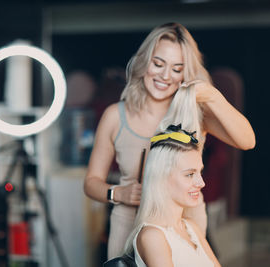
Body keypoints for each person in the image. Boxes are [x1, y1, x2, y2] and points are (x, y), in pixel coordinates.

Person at [84, 22, 255, 259]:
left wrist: (213, 96)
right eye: (158, 64)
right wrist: (118, 193)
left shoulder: (195, 113)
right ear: (144, 61)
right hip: (127, 223)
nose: (165, 76)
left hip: (186, 222)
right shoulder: (115, 115)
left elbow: (247, 141)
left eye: (177, 69)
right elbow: (91, 182)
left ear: (186, 73)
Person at [123, 125, 221, 267]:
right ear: (161, 178)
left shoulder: (191, 228)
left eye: (200, 172)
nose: (201, 183)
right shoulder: (153, 236)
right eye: (189, 174)